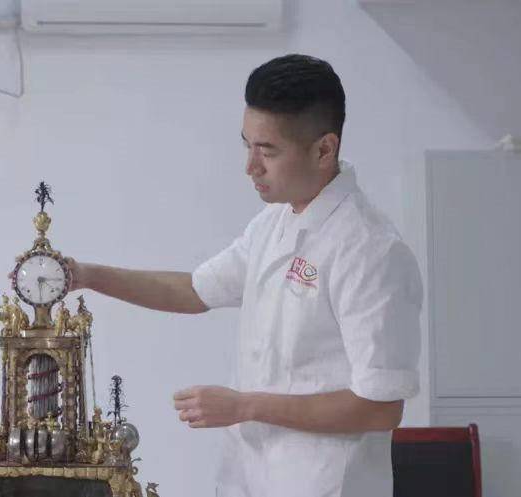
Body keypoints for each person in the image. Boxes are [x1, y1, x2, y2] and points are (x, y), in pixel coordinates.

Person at [60, 54, 421, 497]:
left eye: (267, 151)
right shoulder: (274, 223)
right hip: (250, 479)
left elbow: (380, 408)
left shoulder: (370, 250)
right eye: (247, 145)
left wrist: (244, 406)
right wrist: (86, 275)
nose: (250, 166)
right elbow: (193, 290)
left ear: (324, 150)